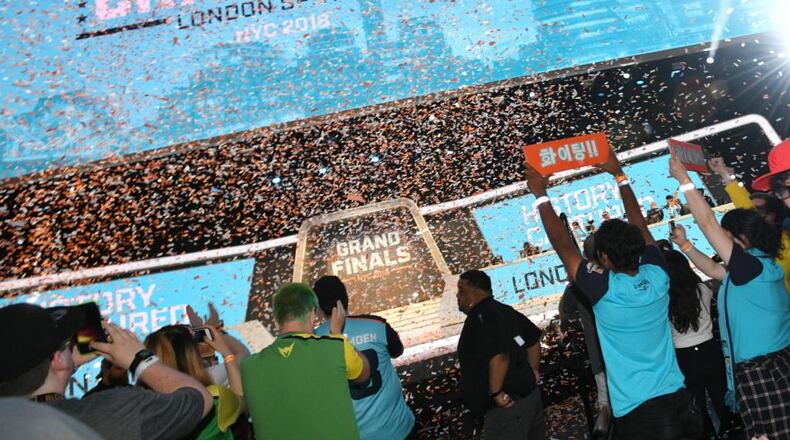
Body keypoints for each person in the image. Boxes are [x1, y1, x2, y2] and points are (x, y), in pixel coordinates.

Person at [525, 148, 701, 439]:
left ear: (604, 258)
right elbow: (639, 224)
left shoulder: (604, 288)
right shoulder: (658, 274)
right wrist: (619, 174)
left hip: (641, 413)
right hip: (680, 399)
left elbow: (562, 244)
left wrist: (540, 194)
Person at [669, 156, 790, 439]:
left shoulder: (752, 268)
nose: (720, 239)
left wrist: (684, 181)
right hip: (764, 368)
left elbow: (707, 223)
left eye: (725, 234)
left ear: (739, 238)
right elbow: (712, 270)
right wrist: (685, 245)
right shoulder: (756, 267)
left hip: (764, 371)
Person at [0, 303, 213, 440]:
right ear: (57, 359)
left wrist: (67, 362)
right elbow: (198, 399)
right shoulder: (110, 412)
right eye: (66, 344)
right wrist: (140, 359)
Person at [240, 283, 371, 440]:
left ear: (275, 321)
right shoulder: (335, 348)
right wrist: (337, 333)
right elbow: (364, 374)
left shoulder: (248, 367)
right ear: (312, 315)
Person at [313, 275, 416, 440]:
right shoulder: (377, 325)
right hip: (398, 429)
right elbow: (397, 351)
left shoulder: (312, 342)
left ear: (318, 307)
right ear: (346, 299)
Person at [456, 270, 544, 440]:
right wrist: (533, 371)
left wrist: (496, 394)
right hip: (528, 400)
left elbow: (500, 356)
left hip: (508, 411)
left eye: (461, 290)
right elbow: (532, 341)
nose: (457, 296)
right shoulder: (504, 310)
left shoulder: (481, 319)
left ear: (475, 293)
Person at [662, 248, 729, 438]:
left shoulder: (664, 299)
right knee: (721, 398)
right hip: (709, 349)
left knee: (696, 405)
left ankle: (707, 433)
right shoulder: (702, 289)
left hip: (683, 356)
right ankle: (731, 431)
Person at [144, 325, 244, 439]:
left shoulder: (139, 408)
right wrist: (226, 352)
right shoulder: (214, 399)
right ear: (192, 359)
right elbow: (242, 400)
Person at [710, 152, 790, 293]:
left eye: (758, 211)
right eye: (782, 192)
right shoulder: (773, 243)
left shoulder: (783, 244)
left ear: (772, 215)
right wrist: (725, 174)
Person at [558, 236, 610, 435]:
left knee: (606, 407)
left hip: (599, 355)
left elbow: (565, 312)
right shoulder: (620, 273)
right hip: (629, 354)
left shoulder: (579, 284)